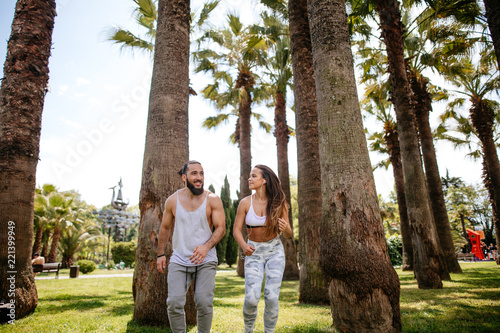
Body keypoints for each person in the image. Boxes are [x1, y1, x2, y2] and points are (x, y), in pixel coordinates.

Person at [156, 160, 226, 333]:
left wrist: (205, 247)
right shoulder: (172, 201)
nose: (199, 177)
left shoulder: (212, 199)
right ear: (184, 177)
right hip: (179, 259)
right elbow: (164, 228)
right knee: (174, 303)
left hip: (205, 259)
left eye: (201, 173)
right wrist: (160, 254)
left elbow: (221, 228)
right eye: (194, 173)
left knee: (203, 302)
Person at [233, 164, 293, 333]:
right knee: (251, 299)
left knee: (272, 298)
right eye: (249, 176)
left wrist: (286, 227)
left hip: (275, 251)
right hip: (254, 251)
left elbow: (288, 235)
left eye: (254, 176)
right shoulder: (245, 203)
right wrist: (244, 246)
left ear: (264, 180)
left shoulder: (280, 203)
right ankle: (248, 330)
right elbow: (236, 230)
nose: (249, 179)